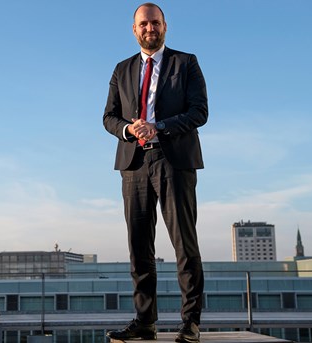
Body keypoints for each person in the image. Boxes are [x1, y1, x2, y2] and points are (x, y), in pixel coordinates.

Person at [103, 3, 208, 342]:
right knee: (139, 247)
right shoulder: (122, 69)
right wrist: (129, 130)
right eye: (144, 23)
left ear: (165, 26)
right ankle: (145, 321)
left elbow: (199, 112)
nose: (150, 28)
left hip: (173, 160)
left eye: (155, 22)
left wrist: (158, 126)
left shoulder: (186, 63)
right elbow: (109, 117)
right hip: (133, 164)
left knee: (184, 245)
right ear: (134, 30)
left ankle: (190, 323)